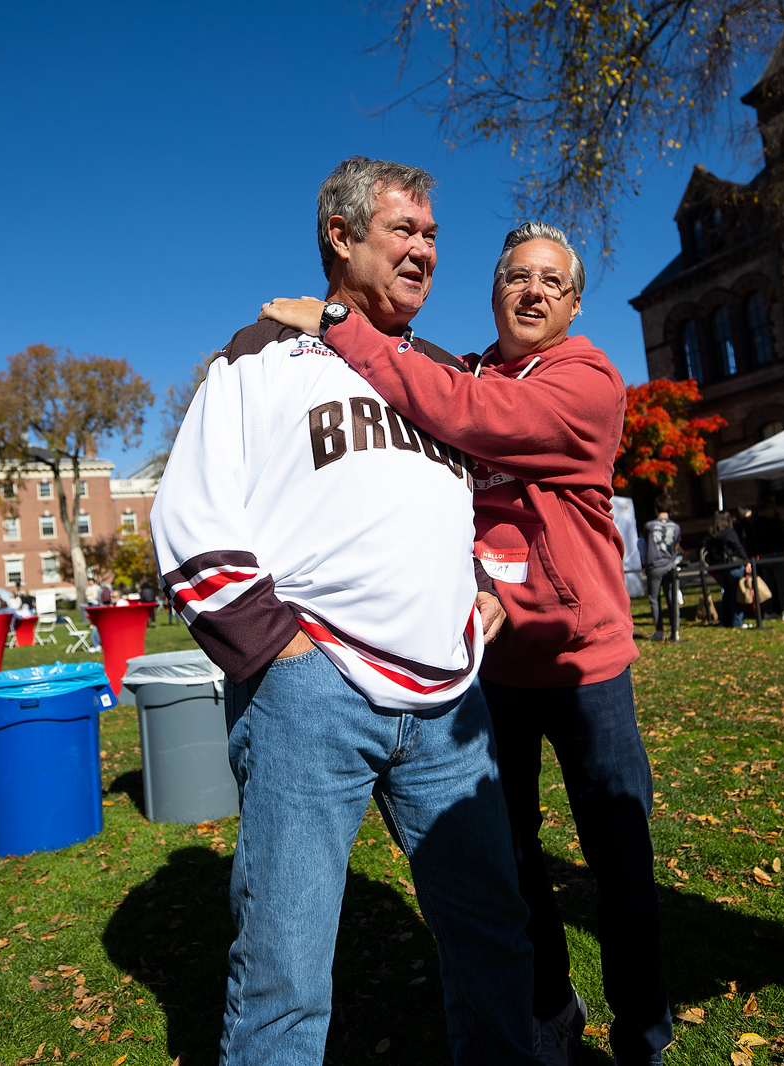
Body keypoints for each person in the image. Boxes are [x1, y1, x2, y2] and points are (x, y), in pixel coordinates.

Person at [153, 156, 541, 1066]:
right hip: (311, 692)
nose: (424, 251)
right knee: (285, 977)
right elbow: (190, 517)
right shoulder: (260, 356)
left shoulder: (440, 373)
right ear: (341, 235)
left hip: (452, 709)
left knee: (495, 937)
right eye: (404, 231)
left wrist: (485, 583)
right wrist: (277, 650)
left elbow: (485, 511)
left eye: (434, 236)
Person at [261, 218, 673, 1065]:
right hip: (491, 667)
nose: (532, 291)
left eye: (551, 282)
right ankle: (549, 1007)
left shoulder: (585, 379)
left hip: (583, 661)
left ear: (574, 303)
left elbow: (475, 414)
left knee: (620, 868)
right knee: (511, 861)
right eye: (517, 276)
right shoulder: (462, 368)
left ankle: (643, 1035)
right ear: (493, 289)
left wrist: (343, 325)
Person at [748, 501, 784, 621]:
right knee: (781, 584)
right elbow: (778, 538)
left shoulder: (754, 523)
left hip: (763, 557)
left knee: (768, 586)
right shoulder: (769, 522)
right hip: (775, 555)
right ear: (765, 509)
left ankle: (769, 611)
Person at [707, 511, 752, 630]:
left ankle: (725, 621)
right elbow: (738, 548)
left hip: (721, 568)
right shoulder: (729, 533)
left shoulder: (713, 535)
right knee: (735, 595)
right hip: (733, 566)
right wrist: (747, 561)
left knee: (726, 595)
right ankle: (737, 622)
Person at [644, 510, 682, 642]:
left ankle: (659, 632)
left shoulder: (649, 526)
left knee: (654, 599)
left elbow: (645, 543)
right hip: (670, 564)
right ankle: (675, 632)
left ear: (655, 509)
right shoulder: (676, 526)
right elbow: (676, 545)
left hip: (654, 565)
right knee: (672, 599)